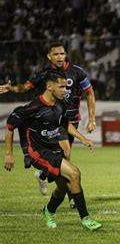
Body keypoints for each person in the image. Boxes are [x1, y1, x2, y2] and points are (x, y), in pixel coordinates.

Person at [0, 42, 96, 208]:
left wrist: (92, 118)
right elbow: (25, 87)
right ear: (49, 56)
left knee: (64, 155)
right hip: (51, 118)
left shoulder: (77, 71)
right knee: (64, 153)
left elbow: (89, 92)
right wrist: (12, 88)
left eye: (62, 53)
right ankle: (71, 194)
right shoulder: (44, 75)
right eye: (56, 54)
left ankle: (45, 176)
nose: (60, 57)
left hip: (70, 119)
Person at [4, 70, 101, 230]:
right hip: (37, 151)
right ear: (49, 86)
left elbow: (65, 123)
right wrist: (9, 154)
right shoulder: (33, 107)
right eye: (61, 87)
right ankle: (86, 219)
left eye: (66, 87)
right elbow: (10, 126)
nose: (65, 90)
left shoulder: (61, 104)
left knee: (63, 188)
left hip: (53, 148)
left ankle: (48, 211)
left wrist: (82, 138)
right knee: (74, 174)